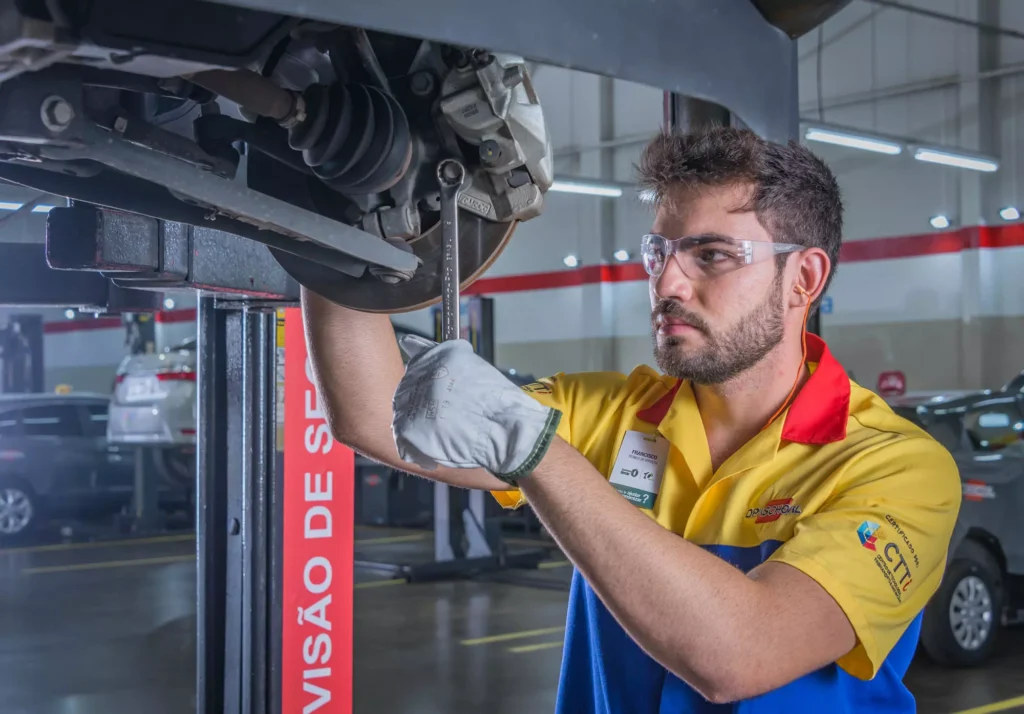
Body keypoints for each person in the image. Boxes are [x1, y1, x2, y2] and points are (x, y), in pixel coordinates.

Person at [302, 127, 961, 713]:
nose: (666, 283)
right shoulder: (609, 414)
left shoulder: (897, 469)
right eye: (659, 252)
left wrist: (536, 452)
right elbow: (371, 410)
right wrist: (335, 219)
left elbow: (740, 656)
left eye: (711, 255)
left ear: (803, 279)